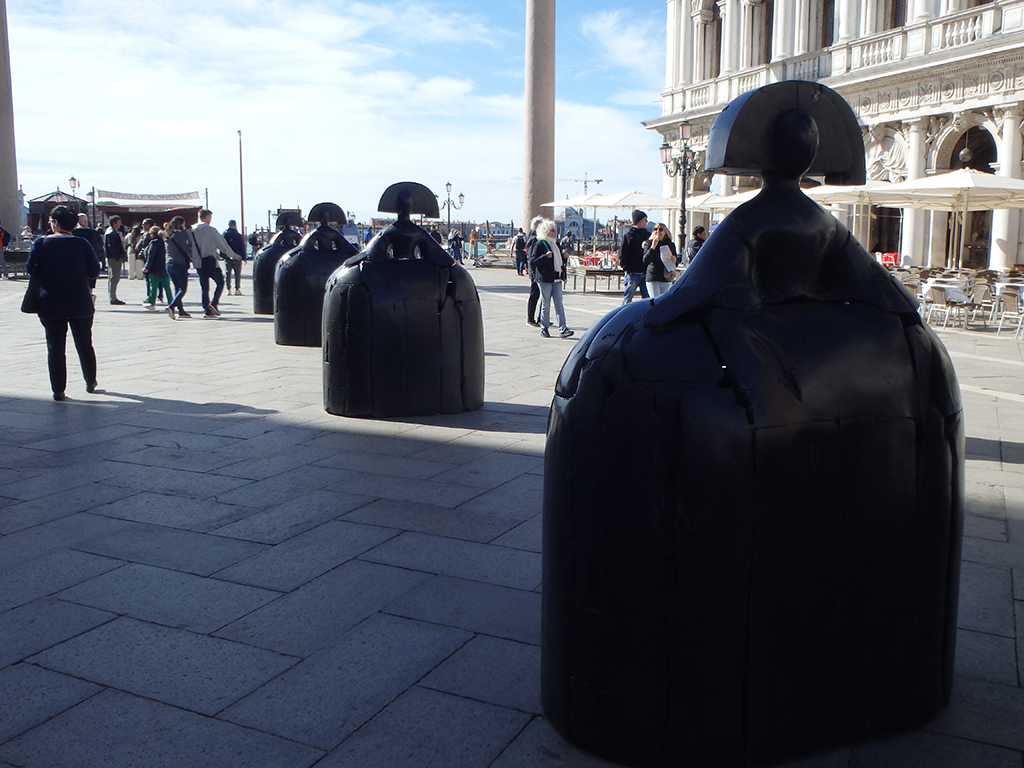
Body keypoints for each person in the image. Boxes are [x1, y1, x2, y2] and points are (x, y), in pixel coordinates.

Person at [25, 205, 101, 400]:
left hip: (51, 302)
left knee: (55, 347)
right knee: (84, 343)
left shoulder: (41, 243)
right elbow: (94, 270)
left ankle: (58, 390)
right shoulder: (82, 243)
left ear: (56, 223)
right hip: (80, 301)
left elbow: (31, 269)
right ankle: (90, 380)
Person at [191, 209, 241, 317]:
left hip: (198, 263)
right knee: (220, 282)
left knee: (204, 288)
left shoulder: (191, 230)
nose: (210, 220)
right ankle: (214, 303)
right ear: (206, 217)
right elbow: (222, 244)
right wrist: (233, 255)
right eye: (210, 218)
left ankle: (207, 310)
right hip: (211, 262)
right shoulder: (211, 230)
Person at [530, 218, 574, 339]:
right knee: (546, 303)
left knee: (559, 304)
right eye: (552, 230)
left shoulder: (555, 244)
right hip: (545, 279)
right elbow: (533, 261)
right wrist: (545, 257)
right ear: (545, 231)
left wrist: (564, 257)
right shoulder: (539, 244)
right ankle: (544, 328)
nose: (554, 232)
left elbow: (557, 260)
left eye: (555, 230)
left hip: (557, 278)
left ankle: (563, 328)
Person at [165, 216, 198, 319]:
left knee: (177, 287)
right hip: (179, 264)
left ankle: (181, 310)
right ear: (180, 224)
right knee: (183, 288)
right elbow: (185, 249)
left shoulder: (168, 234)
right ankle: (172, 306)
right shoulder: (180, 234)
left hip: (169, 263)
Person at [619, 210, 650, 304]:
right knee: (627, 299)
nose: (646, 221)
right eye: (645, 219)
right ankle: (623, 313)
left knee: (648, 300)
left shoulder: (649, 236)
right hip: (633, 273)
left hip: (646, 272)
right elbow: (622, 254)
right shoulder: (628, 236)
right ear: (638, 220)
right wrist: (628, 269)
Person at [643, 223, 678, 298]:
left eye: (660, 229)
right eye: (655, 229)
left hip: (666, 277)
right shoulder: (649, 243)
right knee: (655, 300)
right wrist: (653, 247)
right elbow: (645, 260)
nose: (658, 231)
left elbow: (676, 263)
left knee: (664, 301)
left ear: (665, 232)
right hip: (653, 277)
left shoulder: (670, 244)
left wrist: (674, 259)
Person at [142, 226, 172, 309]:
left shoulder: (154, 243)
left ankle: (151, 303)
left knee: (153, 286)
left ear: (152, 234)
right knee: (167, 287)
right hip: (164, 267)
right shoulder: (165, 241)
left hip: (154, 268)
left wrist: (147, 267)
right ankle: (171, 303)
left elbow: (150, 256)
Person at [103, 215, 128, 304]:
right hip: (114, 258)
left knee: (112, 277)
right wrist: (117, 256)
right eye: (119, 222)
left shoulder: (110, 231)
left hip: (112, 257)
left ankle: (112, 296)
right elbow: (112, 247)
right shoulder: (112, 233)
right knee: (114, 277)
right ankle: (113, 298)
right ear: (114, 223)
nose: (120, 224)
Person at [525, 216, 542, 326]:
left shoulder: (536, 238)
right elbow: (531, 258)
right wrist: (532, 273)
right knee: (534, 294)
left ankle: (541, 317)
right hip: (535, 272)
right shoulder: (533, 239)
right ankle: (530, 318)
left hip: (538, 271)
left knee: (541, 295)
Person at [222, 219, 246, 295]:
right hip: (237, 256)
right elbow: (242, 247)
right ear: (235, 225)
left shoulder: (224, 235)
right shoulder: (238, 235)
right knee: (237, 274)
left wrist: (223, 255)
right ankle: (237, 289)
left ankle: (228, 289)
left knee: (228, 273)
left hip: (228, 257)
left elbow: (222, 245)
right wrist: (244, 257)